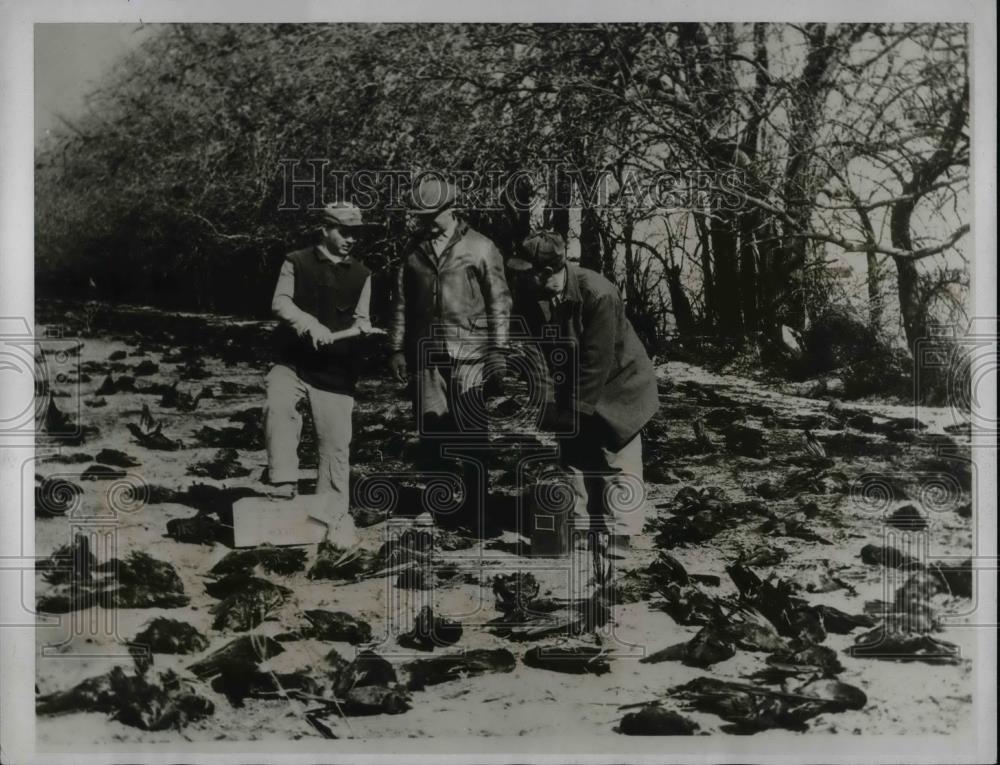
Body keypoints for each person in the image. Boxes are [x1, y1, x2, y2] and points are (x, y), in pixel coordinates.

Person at [507, 230, 659, 566]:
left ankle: (621, 531)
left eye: (527, 270)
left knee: (619, 459)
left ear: (545, 271)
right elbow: (534, 351)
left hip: (620, 383)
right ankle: (580, 525)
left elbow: (597, 359)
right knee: (573, 455)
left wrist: (577, 409)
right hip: (572, 381)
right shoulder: (530, 295)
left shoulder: (598, 292)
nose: (520, 276)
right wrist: (546, 401)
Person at [387, 177, 512, 527]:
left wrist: (499, 350)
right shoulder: (412, 251)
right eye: (421, 215)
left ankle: (477, 507)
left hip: (471, 354)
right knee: (430, 433)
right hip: (426, 356)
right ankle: (436, 503)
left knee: (473, 434)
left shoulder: (481, 247)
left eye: (432, 214)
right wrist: (396, 348)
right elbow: (400, 303)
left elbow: (499, 302)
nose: (426, 221)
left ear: (450, 209)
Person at [264, 202, 383, 508]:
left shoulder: (362, 274)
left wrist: (363, 329)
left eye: (356, 234)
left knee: (335, 446)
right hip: (292, 360)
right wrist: (310, 324)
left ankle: (329, 509)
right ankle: (283, 480)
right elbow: (280, 303)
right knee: (278, 404)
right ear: (325, 230)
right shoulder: (296, 261)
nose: (351, 240)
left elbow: (361, 318)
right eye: (344, 232)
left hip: (336, 370)